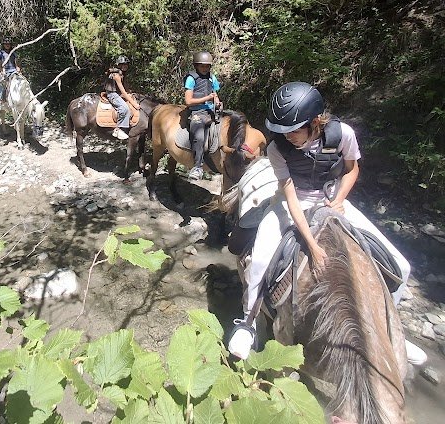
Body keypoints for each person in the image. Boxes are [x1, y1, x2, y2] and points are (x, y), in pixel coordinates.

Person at [230, 82, 426, 365]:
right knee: (260, 260)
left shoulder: (343, 134)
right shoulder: (277, 149)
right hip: (290, 201)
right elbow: (289, 194)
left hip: (331, 198)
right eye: (282, 132)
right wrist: (311, 243)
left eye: (293, 130)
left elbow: (352, 168)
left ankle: (387, 332)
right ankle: (247, 323)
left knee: (402, 267)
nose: (288, 137)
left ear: (313, 122)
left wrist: (338, 200)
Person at [183, 51, 221, 180]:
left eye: (207, 66)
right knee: (199, 137)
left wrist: (217, 102)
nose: (205, 68)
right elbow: (188, 101)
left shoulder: (212, 77)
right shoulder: (191, 79)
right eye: (202, 66)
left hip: (210, 112)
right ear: (196, 66)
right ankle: (197, 167)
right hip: (196, 112)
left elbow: (214, 94)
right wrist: (207, 98)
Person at [104, 55, 134, 141]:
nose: (125, 66)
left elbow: (126, 88)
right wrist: (133, 103)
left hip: (118, 93)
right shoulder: (116, 75)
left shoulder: (122, 74)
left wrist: (131, 93)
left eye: (126, 64)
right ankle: (118, 129)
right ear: (119, 65)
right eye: (123, 64)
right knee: (124, 109)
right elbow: (123, 92)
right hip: (112, 94)